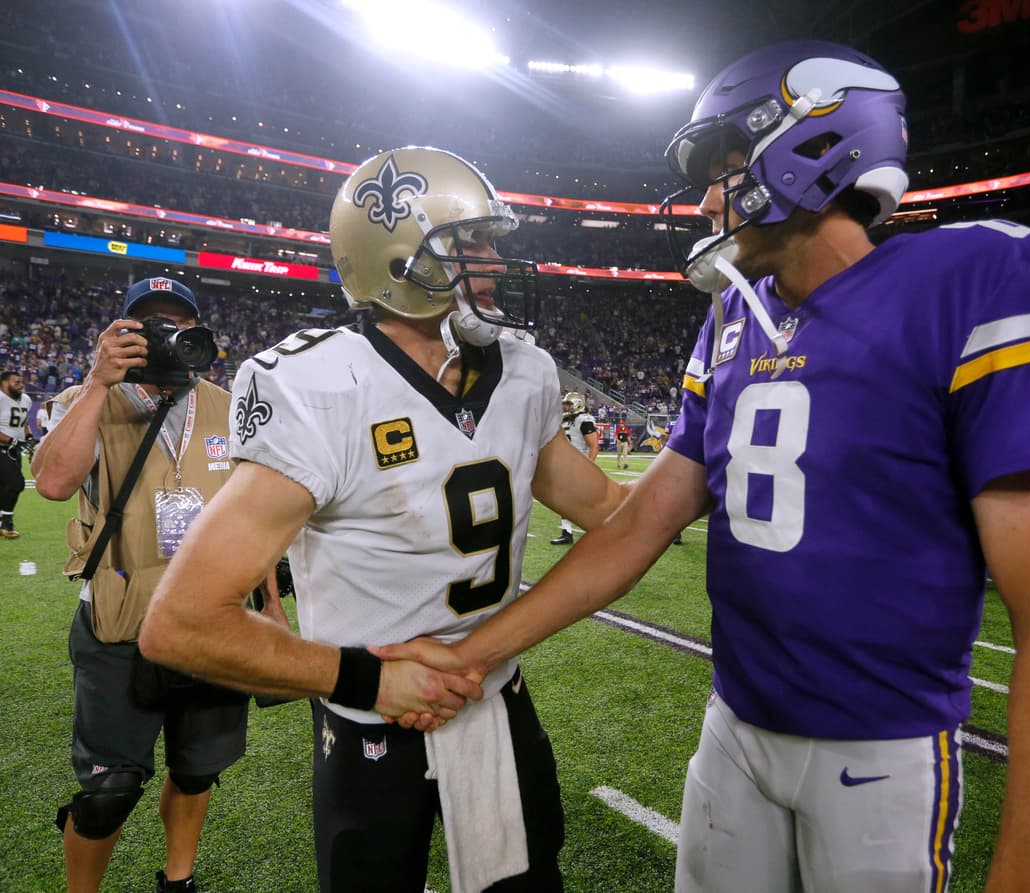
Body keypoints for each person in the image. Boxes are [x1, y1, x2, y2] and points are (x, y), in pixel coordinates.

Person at [382, 40, 1030, 892]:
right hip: (734, 725)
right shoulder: (736, 316)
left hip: (881, 747)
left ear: (806, 146)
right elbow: (640, 524)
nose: (705, 201)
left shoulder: (981, 277)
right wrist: (470, 651)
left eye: (721, 168)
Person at [138, 146, 628, 893]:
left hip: (495, 691)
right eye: (472, 245)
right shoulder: (317, 383)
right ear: (398, 257)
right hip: (369, 717)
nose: (495, 262)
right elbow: (180, 621)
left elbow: (608, 511)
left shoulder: (524, 370)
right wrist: (368, 678)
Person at [31, 278, 264, 893]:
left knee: (196, 772)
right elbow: (54, 482)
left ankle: (178, 881)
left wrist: (270, 606)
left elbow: (256, 509)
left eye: (178, 324)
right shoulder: (88, 399)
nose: (165, 336)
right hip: (118, 619)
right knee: (108, 793)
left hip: (211, 621)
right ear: (121, 331)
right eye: (148, 324)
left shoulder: (233, 404)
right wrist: (100, 381)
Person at [551, 391, 598, 544]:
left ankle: (600, 530)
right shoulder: (565, 420)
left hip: (580, 465)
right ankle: (566, 533)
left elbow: (594, 446)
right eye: (565, 404)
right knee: (563, 500)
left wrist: (589, 467)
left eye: (569, 404)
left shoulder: (585, 420)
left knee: (583, 502)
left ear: (577, 404)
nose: (565, 406)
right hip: (566, 465)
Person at [0, 369, 33, 538]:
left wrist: (29, 437)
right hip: (2, 448)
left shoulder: (26, 399)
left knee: (5, 487)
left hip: (15, 450)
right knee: (17, 483)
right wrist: (11, 440)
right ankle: (6, 521)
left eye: (22, 382)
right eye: (16, 382)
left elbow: (24, 421)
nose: (21, 385)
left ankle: (2, 520)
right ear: (4, 383)